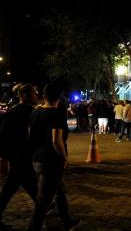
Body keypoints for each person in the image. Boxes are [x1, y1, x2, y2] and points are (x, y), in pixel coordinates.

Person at [27, 82, 80, 231]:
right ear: (59, 97)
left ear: (44, 95)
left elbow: (30, 135)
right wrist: (64, 158)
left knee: (59, 191)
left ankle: (67, 221)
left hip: (37, 158)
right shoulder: (55, 113)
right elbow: (56, 141)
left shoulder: (35, 112)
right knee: (43, 200)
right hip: (51, 160)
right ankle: (33, 227)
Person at [0, 84, 38, 230]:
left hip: (17, 156)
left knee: (21, 185)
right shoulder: (28, 112)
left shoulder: (13, 110)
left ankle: (45, 206)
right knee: (12, 187)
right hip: (21, 155)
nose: (36, 96)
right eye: (34, 94)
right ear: (25, 96)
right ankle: (46, 209)